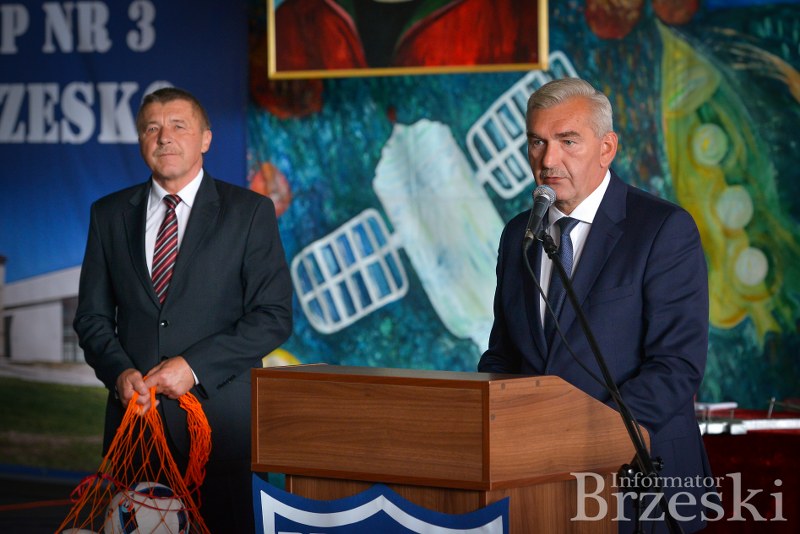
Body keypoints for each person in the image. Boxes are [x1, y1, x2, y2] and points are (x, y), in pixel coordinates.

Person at [477, 78, 713, 533]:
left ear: (607, 148)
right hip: (537, 483)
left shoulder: (663, 229)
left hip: (642, 484)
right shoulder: (518, 235)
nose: (548, 160)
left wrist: (581, 442)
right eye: (537, 142)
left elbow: (676, 366)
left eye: (568, 141)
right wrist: (489, 420)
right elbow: (505, 355)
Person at [73, 87, 293, 532]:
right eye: (151, 128)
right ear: (140, 140)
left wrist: (192, 367)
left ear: (205, 139)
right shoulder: (108, 214)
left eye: (178, 126)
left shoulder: (249, 212)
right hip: (136, 429)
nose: (164, 137)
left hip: (222, 432)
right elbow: (92, 318)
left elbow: (273, 316)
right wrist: (119, 372)